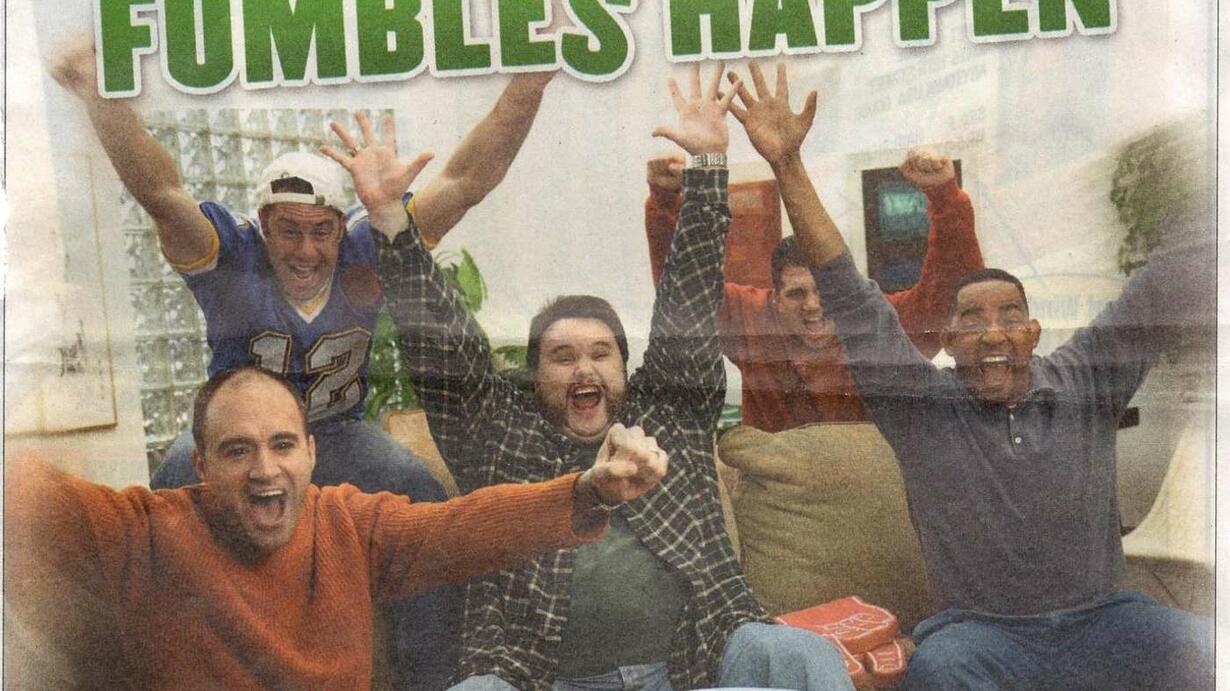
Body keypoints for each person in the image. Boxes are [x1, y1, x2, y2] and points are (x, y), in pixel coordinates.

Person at [50, 39, 553, 688]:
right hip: (243, 444)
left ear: (342, 228)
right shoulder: (231, 260)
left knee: (421, 493)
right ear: (262, 228)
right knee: (172, 489)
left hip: (338, 434)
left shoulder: (370, 247)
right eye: (289, 230)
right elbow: (161, 192)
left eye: (321, 230)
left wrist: (532, 79)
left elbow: (467, 181)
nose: (307, 249)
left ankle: (430, 679)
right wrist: (99, 96)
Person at [342, 62, 853, 691]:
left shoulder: (667, 421)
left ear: (626, 371)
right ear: (534, 379)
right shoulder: (500, 440)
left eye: (601, 354)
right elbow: (443, 346)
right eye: (562, 357)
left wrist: (709, 166)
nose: (584, 368)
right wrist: (390, 220)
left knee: (800, 656)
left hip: (694, 671)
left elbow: (690, 299)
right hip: (541, 681)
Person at [727, 62, 1215, 689]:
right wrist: (788, 164)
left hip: (1105, 622)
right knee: (939, 666)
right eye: (972, 319)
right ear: (949, 341)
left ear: (1032, 334)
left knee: (1207, 647)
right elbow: (847, 290)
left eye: (1010, 316)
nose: (992, 332)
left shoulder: (1085, 380)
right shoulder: (922, 407)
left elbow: (1166, 283)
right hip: (982, 636)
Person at [5, 366, 669, 690]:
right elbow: (24, 492)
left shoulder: (347, 522)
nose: (265, 469)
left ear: (311, 452)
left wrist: (590, 488)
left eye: (282, 445)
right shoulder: (143, 531)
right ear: (200, 466)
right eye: (236, 451)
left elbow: (458, 528)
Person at [644, 146, 983, 431]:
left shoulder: (875, 318)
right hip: (780, 484)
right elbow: (685, 290)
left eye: (825, 290)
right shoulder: (753, 316)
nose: (813, 305)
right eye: (797, 293)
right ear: (775, 299)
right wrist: (664, 200)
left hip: (872, 479)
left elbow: (952, 294)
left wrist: (944, 196)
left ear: (846, 287)